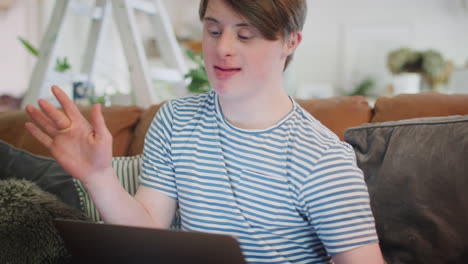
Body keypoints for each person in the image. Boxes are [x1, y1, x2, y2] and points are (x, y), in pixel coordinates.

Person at [25, 0, 385, 263]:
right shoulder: (174, 120)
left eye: (245, 35)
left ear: (291, 42)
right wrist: (98, 176)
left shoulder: (322, 158)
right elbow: (148, 229)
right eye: (213, 30)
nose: (222, 48)